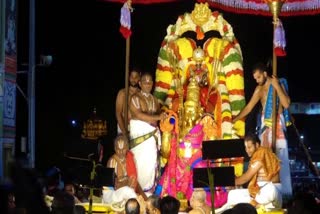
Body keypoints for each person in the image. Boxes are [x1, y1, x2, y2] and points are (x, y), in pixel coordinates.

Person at [232, 62, 292, 195]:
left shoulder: (278, 83)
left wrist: (276, 86)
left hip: (277, 125)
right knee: (264, 157)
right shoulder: (259, 90)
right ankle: (265, 189)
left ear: (265, 74)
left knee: (279, 158)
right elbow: (248, 107)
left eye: (258, 77)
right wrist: (235, 119)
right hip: (265, 127)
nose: (257, 80)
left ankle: (284, 194)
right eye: (255, 78)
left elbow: (286, 104)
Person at [217, 133, 282, 212]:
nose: (247, 150)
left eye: (249, 147)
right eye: (245, 147)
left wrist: (230, 181)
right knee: (233, 194)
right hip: (262, 191)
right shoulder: (261, 153)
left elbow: (246, 178)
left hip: (270, 190)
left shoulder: (260, 154)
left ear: (257, 145)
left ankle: (259, 206)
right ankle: (258, 205)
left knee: (266, 191)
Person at [129, 72, 166, 193]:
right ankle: (137, 192)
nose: (148, 84)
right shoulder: (135, 98)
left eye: (150, 82)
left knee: (151, 164)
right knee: (139, 164)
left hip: (151, 139)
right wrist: (158, 118)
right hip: (140, 138)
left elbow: (157, 116)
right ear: (140, 83)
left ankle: (149, 193)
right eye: (145, 82)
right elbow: (138, 115)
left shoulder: (154, 99)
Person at [103, 134, 145, 205]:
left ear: (127, 148)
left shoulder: (130, 158)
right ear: (115, 148)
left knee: (131, 190)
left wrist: (144, 196)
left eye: (123, 149)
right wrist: (127, 182)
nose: (121, 152)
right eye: (118, 149)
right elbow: (114, 186)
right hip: (111, 193)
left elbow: (135, 181)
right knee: (127, 191)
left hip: (124, 191)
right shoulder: (112, 161)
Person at [116, 68, 141, 135]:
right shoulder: (122, 93)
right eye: (132, 76)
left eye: (136, 77)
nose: (133, 79)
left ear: (139, 77)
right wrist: (124, 132)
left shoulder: (141, 93)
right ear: (129, 77)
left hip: (137, 128)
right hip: (124, 127)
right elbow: (118, 113)